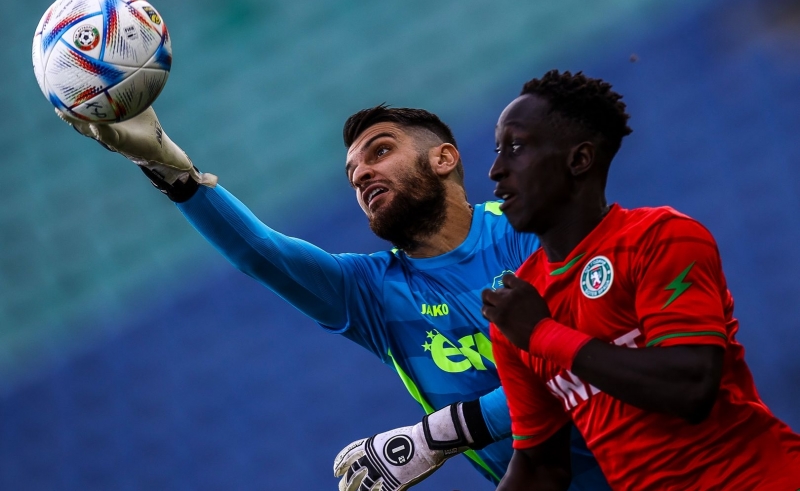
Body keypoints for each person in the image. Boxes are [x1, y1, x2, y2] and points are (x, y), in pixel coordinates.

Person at [55, 105, 610, 490]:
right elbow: (261, 254)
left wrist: (434, 437)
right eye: (352, 174)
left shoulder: (533, 229)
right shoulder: (372, 294)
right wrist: (165, 165)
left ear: (444, 159)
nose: (362, 174)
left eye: (381, 151)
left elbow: (587, 365)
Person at [481, 69, 800, 490]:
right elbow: (541, 468)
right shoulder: (518, 308)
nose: (495, 170)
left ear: (579, 160)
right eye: (498, 150)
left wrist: (543, 334)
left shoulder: (660, 238)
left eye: (516, 147)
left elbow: (690, 387)